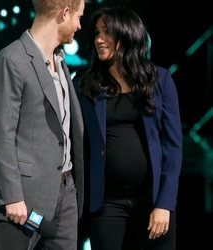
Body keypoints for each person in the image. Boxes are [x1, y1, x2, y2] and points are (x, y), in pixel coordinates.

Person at [73, 6, 182, 250]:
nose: (99, 40)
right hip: (106, 204)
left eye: (107, 32)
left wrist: (164, 204)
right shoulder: (85, 83)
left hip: (152, 202)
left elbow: (173, 149)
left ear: (127, 34)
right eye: (97, 33)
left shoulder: (160, 80)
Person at [0, 0, 85, 249]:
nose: (80, 26)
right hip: (23, 200)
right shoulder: (12, 60)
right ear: (64, 13)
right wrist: (13, 196)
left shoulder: (60, 61)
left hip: (65, 193)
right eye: (79, 17)